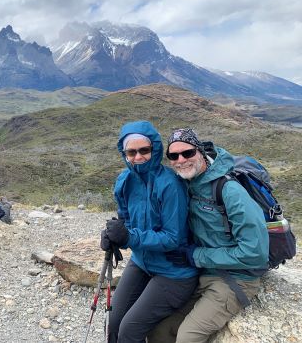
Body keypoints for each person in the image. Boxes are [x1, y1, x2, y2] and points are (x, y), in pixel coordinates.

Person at [148, 129, 269, 343]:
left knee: (187, 338)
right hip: (203, 274)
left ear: (201, 151)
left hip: (237, 279)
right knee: (159, 330)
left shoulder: (229, 191)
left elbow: (255, 253)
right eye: (173, 156)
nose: (181, 160)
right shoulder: (187, 184)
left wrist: (196, 256)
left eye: (187, 152)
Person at [101, 121, 198, 343]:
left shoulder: (170, 184)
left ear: (154, 150)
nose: (138, 157)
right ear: (123, 153)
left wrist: (129, 237)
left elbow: (173, 237)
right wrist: (112, 235)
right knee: (113, 325)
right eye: (131, 152)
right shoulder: (124, 181)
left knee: (129, 331)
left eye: (144, 150)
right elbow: (124, 219)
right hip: (142, 263)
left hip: (174, 272)